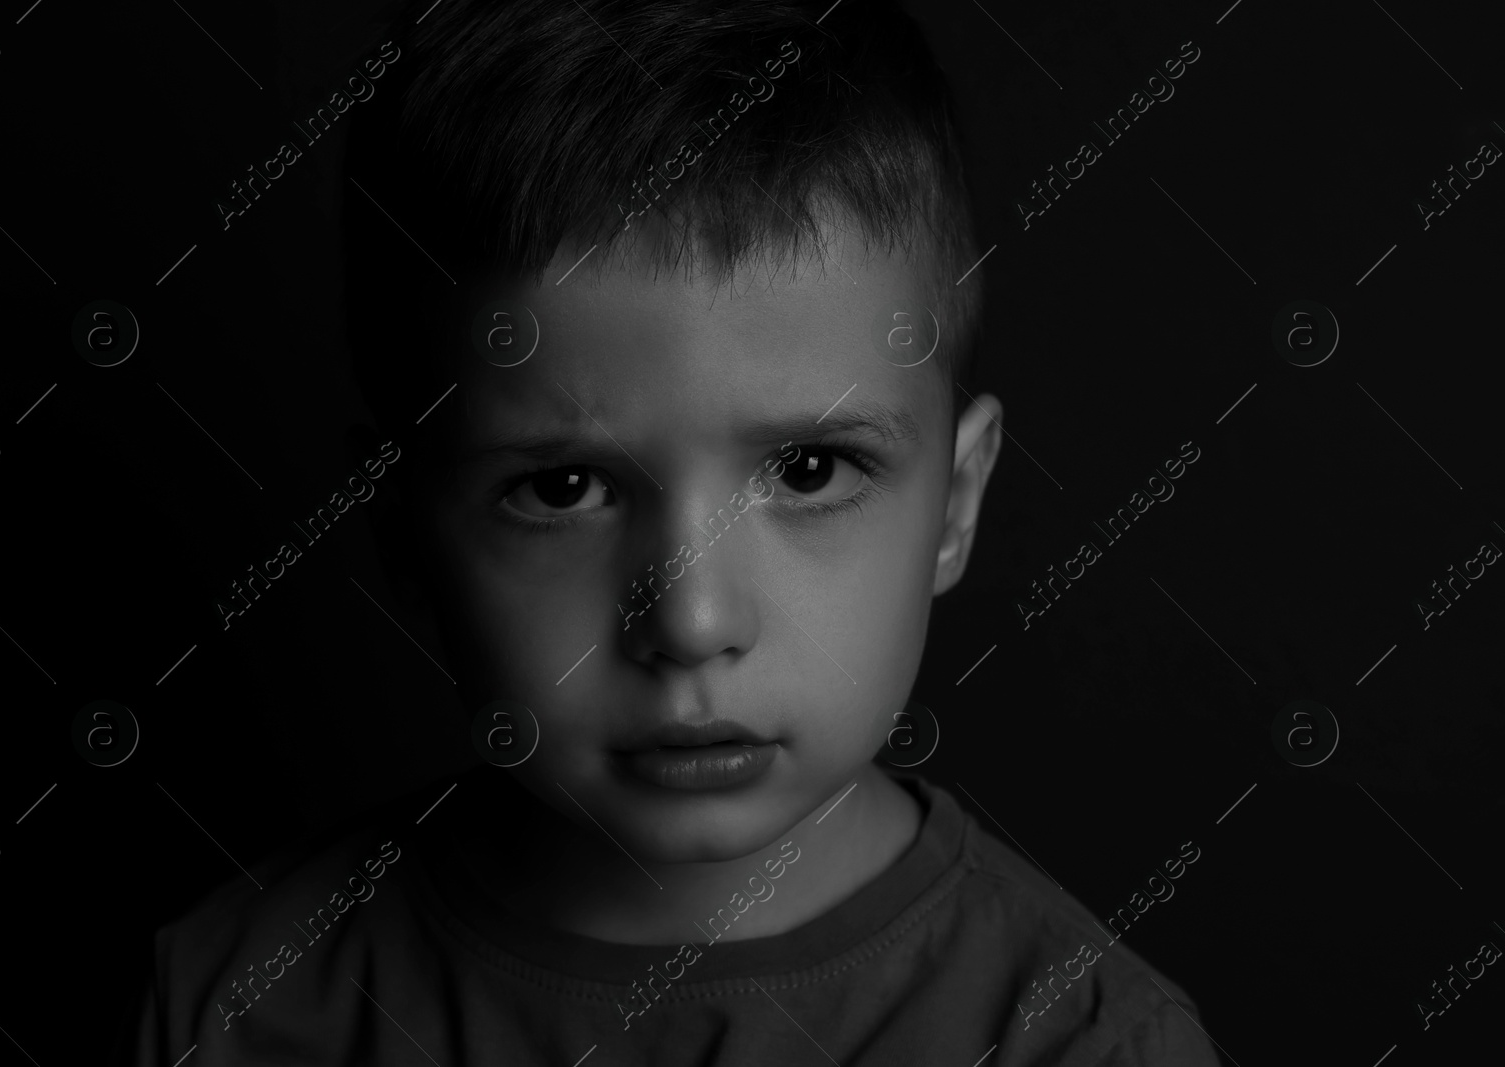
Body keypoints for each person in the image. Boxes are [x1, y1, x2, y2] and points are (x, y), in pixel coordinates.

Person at [121, 1, 1221, 1062]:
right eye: (562, 487)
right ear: (403, 533)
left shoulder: (1085, 1043)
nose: (691, 621)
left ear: (957, 501)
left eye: (807, 469)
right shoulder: (241, 1007)